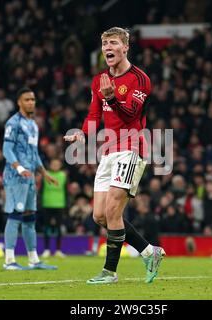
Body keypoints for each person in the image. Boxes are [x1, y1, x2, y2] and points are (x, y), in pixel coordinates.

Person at [64, 27, 165, 284]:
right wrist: (82, 134)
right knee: (99, 215)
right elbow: (94, 115)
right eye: (104, 43)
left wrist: (113, 98)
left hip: (131, 149)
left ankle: (109, 272)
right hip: (108, 152)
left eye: (113, 43)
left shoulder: (140, 79)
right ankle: (148, 251)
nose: (107, 47)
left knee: (112, 210)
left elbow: (130, 114)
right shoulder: (99, 80)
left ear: (125, 47)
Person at [2, 87, 59, 271]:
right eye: (27, 99)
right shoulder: (13, 123)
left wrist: (45, 173)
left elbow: (34, 153)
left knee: (29, 218)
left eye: (33, 99)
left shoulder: (33, 125)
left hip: (30, 178)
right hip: (15, 178)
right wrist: (19, 168)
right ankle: (9, 260)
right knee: (15, 215)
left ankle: (33, 259)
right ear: (19, 102)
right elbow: (7, 149)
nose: (31, 102)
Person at [41, 158, 67, 258]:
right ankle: (46, 250)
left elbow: (66, 191)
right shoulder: (45, 174)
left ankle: (58, 250)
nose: (55, 166)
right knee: (46, 228)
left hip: (60, 205)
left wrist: (67, 206)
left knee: (59, 228)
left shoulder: (63, 176)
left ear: (60, 165)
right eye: (53, 164)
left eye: (57, 164)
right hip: (47, 204)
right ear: (50, 165)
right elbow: (41, 189)